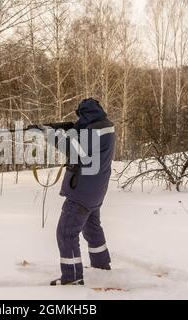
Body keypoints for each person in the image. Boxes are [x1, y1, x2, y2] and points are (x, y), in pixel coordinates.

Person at [49, 98, 115, 286]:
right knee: (92, 229)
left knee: (66, 233)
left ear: (86, 115)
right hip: (96, 191)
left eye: (80, 115)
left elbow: (71, 149)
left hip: (82, 193)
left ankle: (72, 277)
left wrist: (51, 135)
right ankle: (101, 266)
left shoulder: (92, 133)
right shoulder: (106, 128)